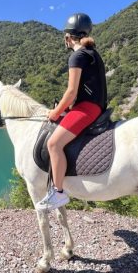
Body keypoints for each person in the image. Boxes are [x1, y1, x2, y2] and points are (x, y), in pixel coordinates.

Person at [35, 13, 107, 211]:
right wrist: (66, 107)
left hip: (87, 108)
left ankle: (58, 193)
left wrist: (56, 112)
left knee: (53, 143)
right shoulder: (93, 53)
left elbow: (71, 91)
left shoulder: (77, 56)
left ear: (68, 37)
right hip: (96, 106)